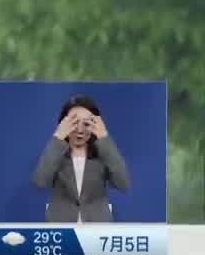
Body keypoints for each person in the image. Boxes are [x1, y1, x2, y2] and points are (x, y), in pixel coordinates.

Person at [31, 94, 130, 223]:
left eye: (86, 124)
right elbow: (40, 181)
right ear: (64, 124)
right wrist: (58, 137)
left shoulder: (103, 152)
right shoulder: (56, 152)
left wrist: (104, 138)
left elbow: (123, 183)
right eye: (74, 122)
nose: (80, 129)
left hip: (96, 230)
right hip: (61, 230)